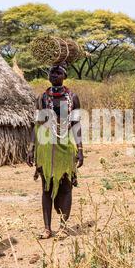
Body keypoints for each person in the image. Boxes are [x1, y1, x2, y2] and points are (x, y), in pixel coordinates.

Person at [26, 64, 84, 240]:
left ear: (65, 75)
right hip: (45, 147)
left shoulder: (72, 98)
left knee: (66, 187)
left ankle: (64, 227)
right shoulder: (42, 98)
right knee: (46, 187)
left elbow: (76, 124)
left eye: (58, 72)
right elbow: (37, 125)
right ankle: (47, 228)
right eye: (52, 71)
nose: (54, 75)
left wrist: (80, 149)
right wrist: (31, 148)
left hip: (65, 145)